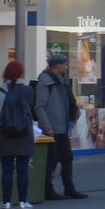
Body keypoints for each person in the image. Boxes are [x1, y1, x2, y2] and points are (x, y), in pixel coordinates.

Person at [35, 54, 87, 199]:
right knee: (50, 161)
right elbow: (39, 106)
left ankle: (69, 188)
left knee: (67, 158)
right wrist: (47, 127)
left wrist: (72, 117)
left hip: (62, 126)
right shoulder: (45, 82)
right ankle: (47, 190)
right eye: (64, 64)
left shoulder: (62, 82)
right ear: (57, 66)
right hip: (51, 128)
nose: (66, 67)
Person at [0, 61, 41, 209]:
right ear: (21, 73)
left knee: (7, 170)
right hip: (24, 132)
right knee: (23, 170)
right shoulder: (28, 90)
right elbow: (32, 111)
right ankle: (23, 202)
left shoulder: (0, 90)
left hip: (4, 133)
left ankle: (6, 203)